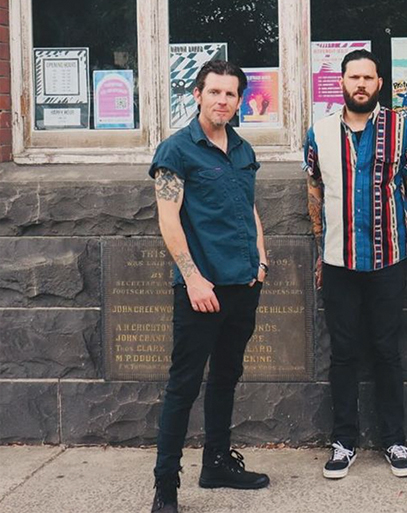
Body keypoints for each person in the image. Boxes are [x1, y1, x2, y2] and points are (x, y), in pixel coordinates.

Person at [148, 60, 270, 513]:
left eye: (230, 93)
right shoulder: (177, 150)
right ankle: (166, 486)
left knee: (225, 377)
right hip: (201, 291)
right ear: (197, 94)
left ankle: (216, 463)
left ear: (239, 100)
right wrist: (194, 278)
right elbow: (168, 219)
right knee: (183, 387)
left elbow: (248, 207)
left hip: (243, 285)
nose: (222, 100)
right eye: (214, 92)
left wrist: (261, 260)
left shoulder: (242, 149)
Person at [303, 49, 407, 480]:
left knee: (386, 351)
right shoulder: (319, 132)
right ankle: (343, 441)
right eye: (353, 77)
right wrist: (321, 249)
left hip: (388, 259)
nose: (360, 84)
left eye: (368, 78)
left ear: (379, 83)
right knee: (343, 353)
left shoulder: (403, 128)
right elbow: (314, 190)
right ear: (341, 82)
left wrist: (397, 230)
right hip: (338, 260)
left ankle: (395, 440)